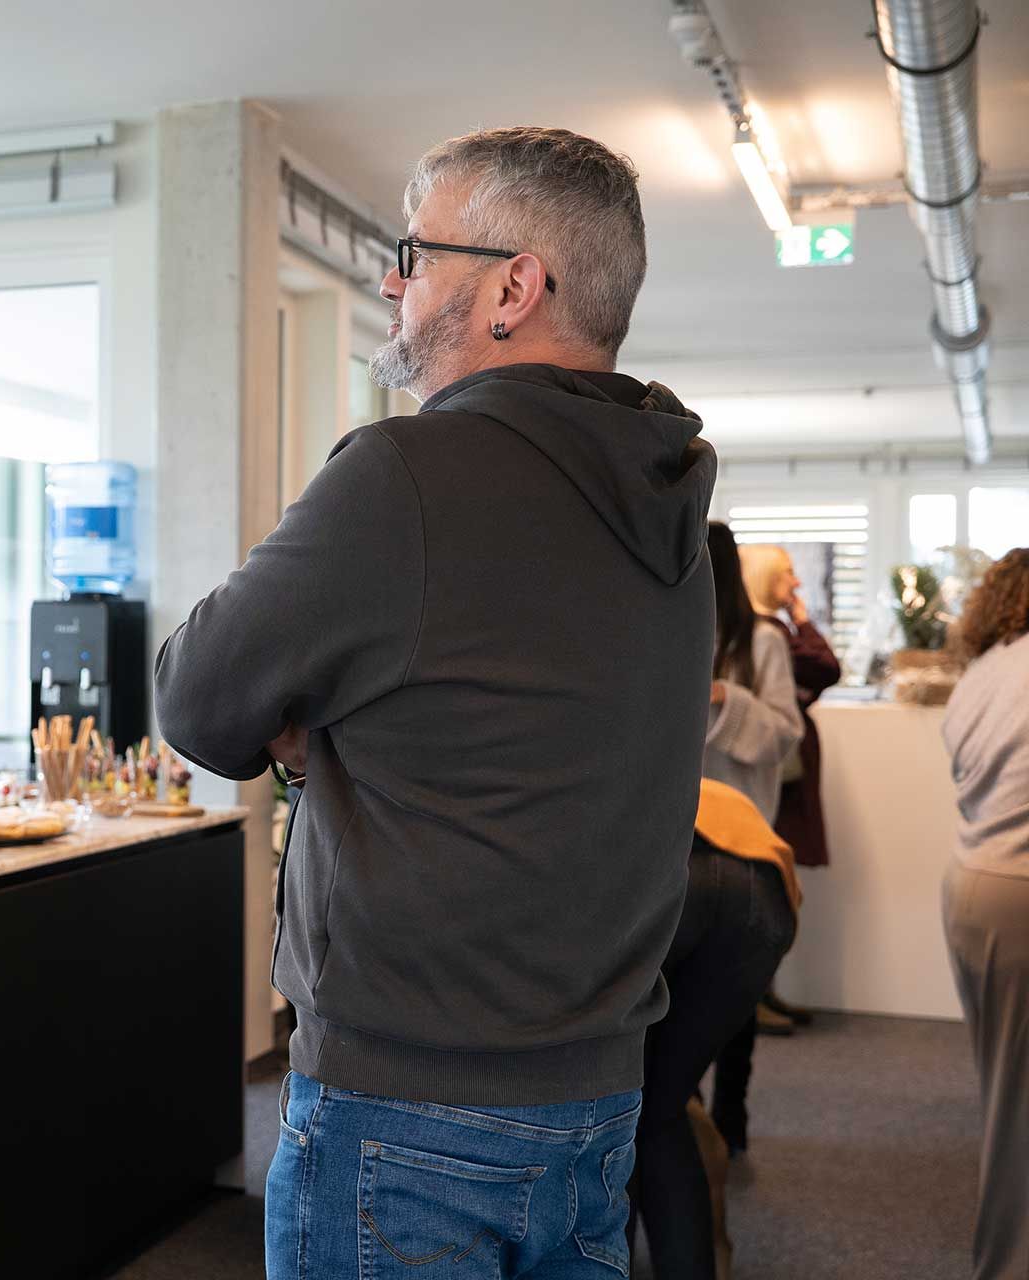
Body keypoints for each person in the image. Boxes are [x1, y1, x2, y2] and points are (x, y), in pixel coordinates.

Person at [155, 126, 717, 1279]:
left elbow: (197, 698)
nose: (389, 280)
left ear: (516, 286)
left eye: (414, 251)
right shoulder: (671, 507)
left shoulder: (405, 475)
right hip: (596, 1098)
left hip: (405, 1113)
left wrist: (317, 747)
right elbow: (526, 744)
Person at [628, 779, 798, 1280]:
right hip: (767, 900)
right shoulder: (705, 785)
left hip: (673, 879)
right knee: (662, 1109)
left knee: (624, 1107)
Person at [940, 547, 1029, 1280]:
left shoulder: (985, 671)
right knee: (1016, 1107)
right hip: (1017, 891)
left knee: (1007, 1091)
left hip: (973, 883)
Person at [699, 522, 802, 1153]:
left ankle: (730, 1123)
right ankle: (680, 1128)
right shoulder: (666, 628)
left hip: (742, 832)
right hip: (679, 834)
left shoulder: (762, 641)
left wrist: (725, 698)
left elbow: (786, 732)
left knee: (737, 995)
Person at [738, 543, 840, 1033]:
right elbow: (826, 667)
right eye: (787, 576)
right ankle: (752, 995)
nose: (796, 584)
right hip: (765, 777)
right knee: (766, 885)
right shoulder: (764, 634)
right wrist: (802, 618)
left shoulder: (767, 633)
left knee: (775, 886)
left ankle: (763, 992)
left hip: (781, 774)